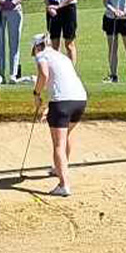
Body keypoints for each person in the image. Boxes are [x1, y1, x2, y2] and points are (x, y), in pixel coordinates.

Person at [31, 32, 87, 197]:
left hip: (62, 103)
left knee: (58, 145)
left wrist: (36, 94)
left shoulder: (42, 55)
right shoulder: (62, 57)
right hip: (80, 100)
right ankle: (59, 168)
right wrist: (50, 107)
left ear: (37, 47)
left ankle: (64, 185)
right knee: (66, 134)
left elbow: (44, 75)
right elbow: (61, 83)